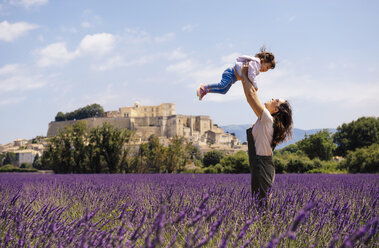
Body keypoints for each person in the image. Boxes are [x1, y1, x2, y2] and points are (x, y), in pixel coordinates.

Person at [240, 63, 293, 205]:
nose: (273, 98)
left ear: (276, 110)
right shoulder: (265, 119)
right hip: (260, 165)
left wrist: (244, 74)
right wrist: (246, 77)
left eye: (276, 101)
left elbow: (251, 97)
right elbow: (252, 95)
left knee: (261, 207)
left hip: (261, 165)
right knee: (260, 205)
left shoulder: (267, 120)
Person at [196, 47, 275, 100]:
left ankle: (206, 91)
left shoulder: (256, 66)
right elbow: (251, 75)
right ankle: (204, 87)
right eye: (267, 67)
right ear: (263, 60)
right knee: (222, 85)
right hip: (231, 73)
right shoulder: (256, 63)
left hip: (233, 78)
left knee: (223, 91)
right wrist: (255, 85)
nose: (266, 70)